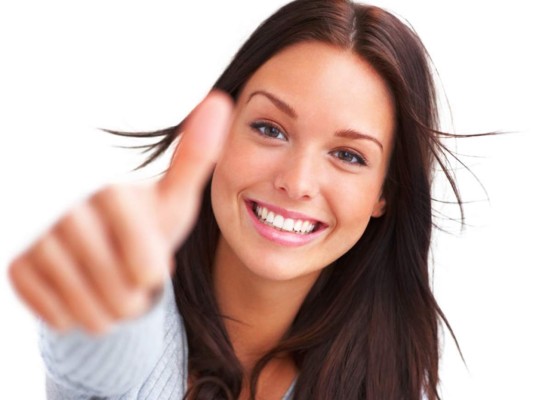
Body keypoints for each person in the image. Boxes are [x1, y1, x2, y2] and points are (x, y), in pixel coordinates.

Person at [8, 0, 465, 398]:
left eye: (348, 155)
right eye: (270, 129)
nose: (297, 182)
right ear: (221, 133)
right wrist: (107, 297)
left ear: (384, 193)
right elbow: (107, 356)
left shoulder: (390, 385)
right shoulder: (144, 312)